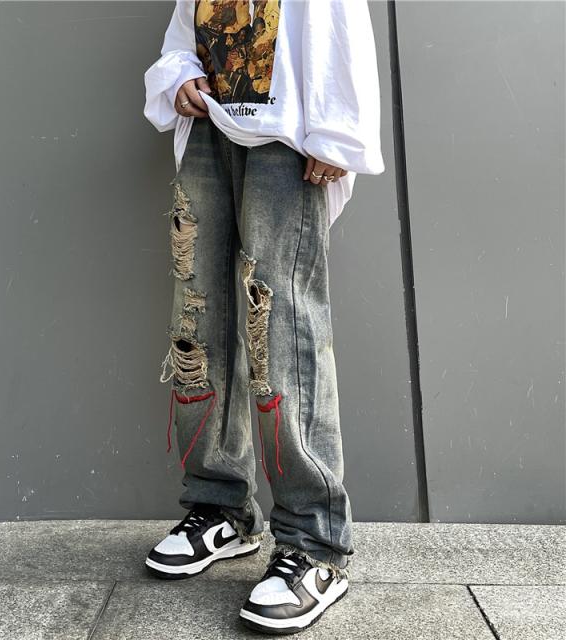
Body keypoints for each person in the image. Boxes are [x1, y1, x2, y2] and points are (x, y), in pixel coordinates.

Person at [143, 0, 384, 634]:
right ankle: (220, 505)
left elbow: (340, 21)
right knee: (196, 322)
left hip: (288, 134)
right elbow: (185, 28)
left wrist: (337, 129)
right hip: (210, 127)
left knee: (280, 328)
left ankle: (315, 542)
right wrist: (180, 75)